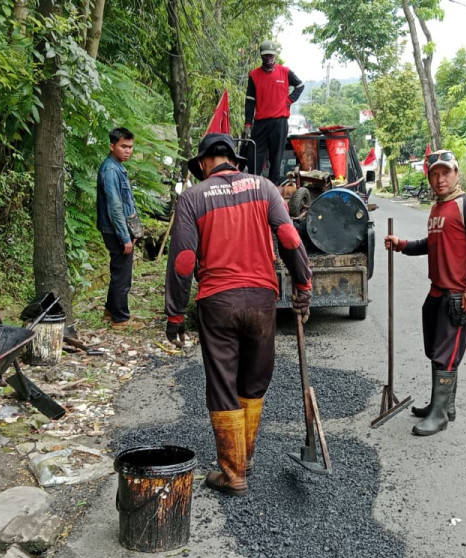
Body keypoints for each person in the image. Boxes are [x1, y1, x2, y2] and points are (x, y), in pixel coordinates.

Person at [165, 132, 312, 496]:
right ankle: (244, 459)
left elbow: (184, 260)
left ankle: (233, 474)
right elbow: (289, 238)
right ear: (234, 159)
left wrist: (175, 314)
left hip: (217, 303)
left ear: (203, 164)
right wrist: (303, 285)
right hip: (262, 300)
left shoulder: (193, 197)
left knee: (223, 384)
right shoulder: (265, 188)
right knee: (253, 381)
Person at [383, 150, 466, 436]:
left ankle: (439, 416)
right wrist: (402, 244)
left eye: (446, 173)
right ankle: (443, 406)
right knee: (435, 351)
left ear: (456, 173)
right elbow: (433, 243)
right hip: (437, 292)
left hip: (457, 294)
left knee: (445, 355)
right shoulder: (439, 208)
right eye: (435, 174)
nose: (440, 179)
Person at [96, 127, 140, 327]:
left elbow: (125, 203)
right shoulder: (111, 170)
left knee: (118, 272)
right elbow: (115, 207)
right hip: (115, 230)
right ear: (112, 146)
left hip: (118, 228)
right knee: (122, 277)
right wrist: (124, 236)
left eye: (130, 147)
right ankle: (120, 319)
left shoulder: (116, 167)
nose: (128, 150)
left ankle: (109, 310)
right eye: (123, 146)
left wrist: (133, 230)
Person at [243, 40, 304, 186]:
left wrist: (289, 100)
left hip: (279, 122)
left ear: (275, 55)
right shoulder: (254, 75)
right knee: (254, 156)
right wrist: (247, 124)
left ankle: (273, 187)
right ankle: (254, 187)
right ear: (261, 56)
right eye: (266, 55)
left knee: (276, 157)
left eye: (271, 55)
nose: (269, 58)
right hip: (261, 122)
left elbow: (300, 86)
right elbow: (250, 102)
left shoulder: (285, 72)